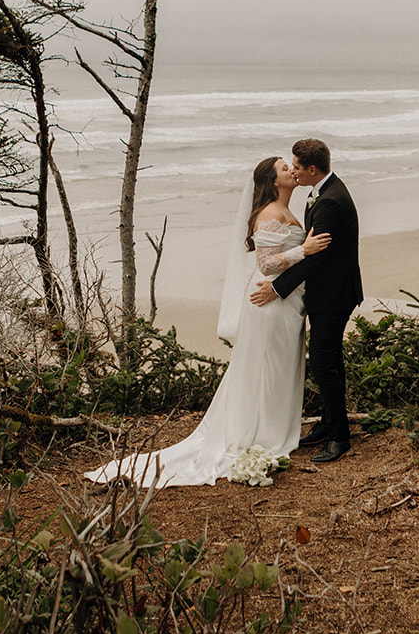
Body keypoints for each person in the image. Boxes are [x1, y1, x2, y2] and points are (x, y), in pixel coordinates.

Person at [84, 156, 329, 488]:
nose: (291, 170)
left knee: (281, 369)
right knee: (267, 371)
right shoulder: (270, 213)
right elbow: (267, 264)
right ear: (273, 182)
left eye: (291, 166)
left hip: (286, 303)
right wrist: (306, 250)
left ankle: (274, 431)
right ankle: (262, 435)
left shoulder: (284, 210)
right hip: (269, 302)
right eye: (284, 168)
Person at [251, 138, 362, 463]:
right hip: (331, 291)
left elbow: (317, 258)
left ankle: (340, 438)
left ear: (312, 169)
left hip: (333, 294)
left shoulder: (329, 201)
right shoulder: (323, 192)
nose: (294, 171)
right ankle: (329, 425)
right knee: (331, 361)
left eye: (296, 166)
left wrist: (276, 289)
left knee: (323, 363)